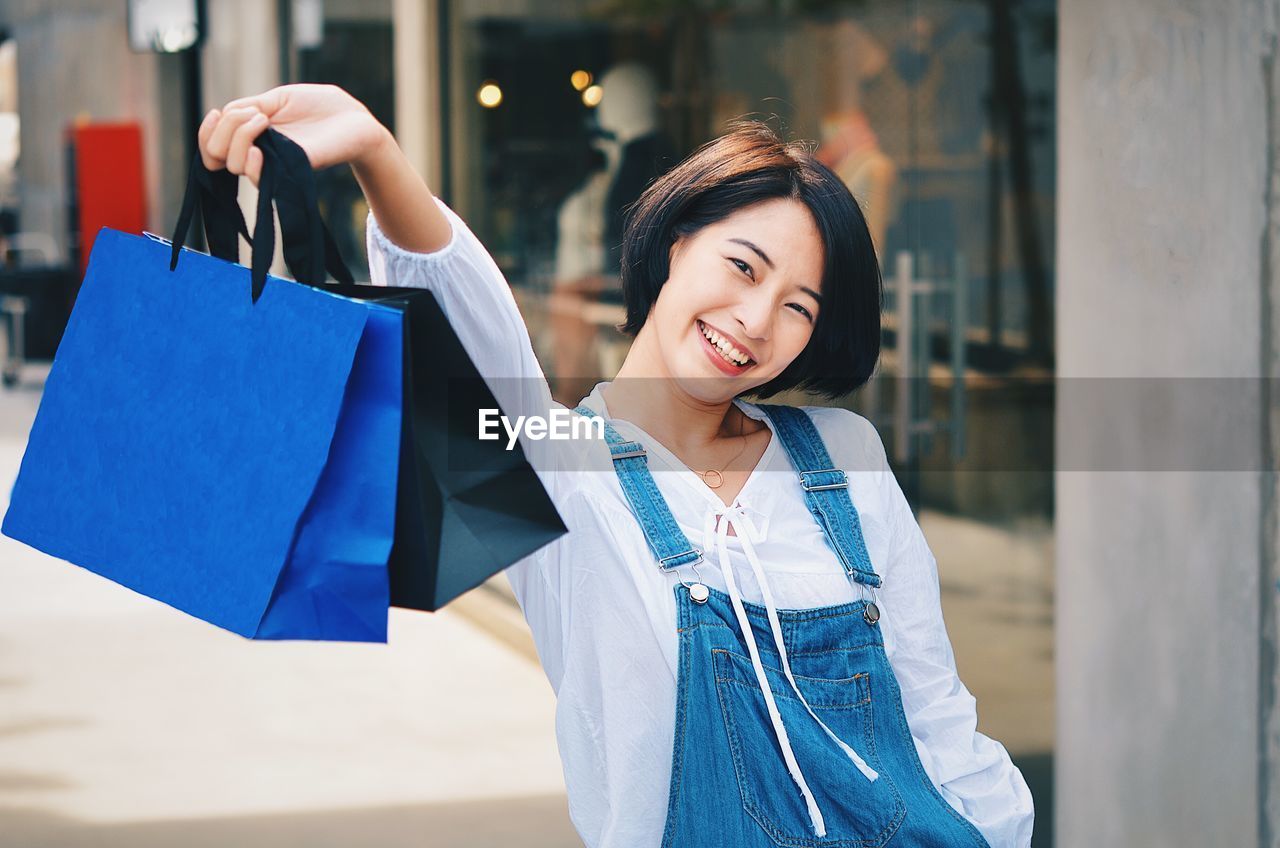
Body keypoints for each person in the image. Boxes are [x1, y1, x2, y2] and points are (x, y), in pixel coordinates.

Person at [198, 83, 1034, 848]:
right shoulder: (560, 465)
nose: (753, 320)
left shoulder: (845, 458)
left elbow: (937, 716)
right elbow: (475, 339)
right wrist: (380, 158)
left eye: (798, 308)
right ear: (677, 244)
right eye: (742, 267)